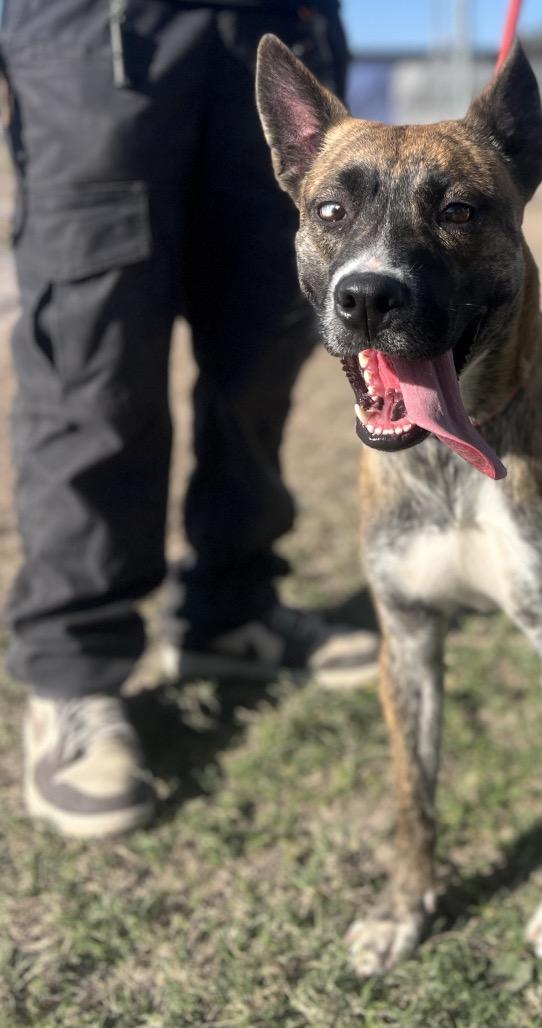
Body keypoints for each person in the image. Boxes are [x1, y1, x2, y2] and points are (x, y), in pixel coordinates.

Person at [0, 0, 379, 840]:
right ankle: (74, 667)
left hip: (284, 27)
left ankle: (230, 609)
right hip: (102, 32)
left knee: (264, 348)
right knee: (93, 366)